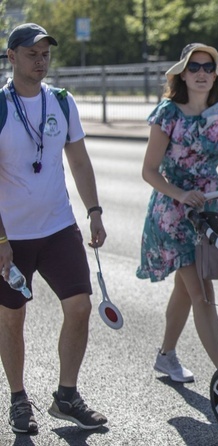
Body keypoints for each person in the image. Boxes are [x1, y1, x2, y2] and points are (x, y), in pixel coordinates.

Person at [0, 23, 109, 434]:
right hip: (11, 235)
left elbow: (79, 161)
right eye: (32, 53)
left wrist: (94, 210)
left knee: (80, 307)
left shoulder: (62, 103)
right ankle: (17, 398)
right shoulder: (1, 106)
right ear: (12, 58)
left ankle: (66, 395)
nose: (41, 60)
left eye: (46, 53)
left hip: (59, 227)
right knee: (12, 317)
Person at [136, 43, 218, 383]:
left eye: (208, 67)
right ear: (182, 73)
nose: (202, 73)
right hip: (173, 214)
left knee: (186, 290)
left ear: (216, 75)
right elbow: (150, 171)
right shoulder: (168, 113)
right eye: (195, 67)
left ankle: (166, 356)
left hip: (208, 209)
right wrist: (182, 194)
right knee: (202, 291)